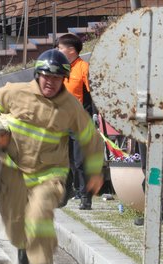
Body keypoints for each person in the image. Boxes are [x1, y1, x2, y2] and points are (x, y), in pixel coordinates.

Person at [0, 49, 104, 264]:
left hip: (50, 175)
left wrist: (95, 171)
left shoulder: (71, 107)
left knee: (38, 217)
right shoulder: (15, 92)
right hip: (13, 171)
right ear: (37, 75)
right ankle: (23, 247)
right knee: (15, 227)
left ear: (64, 80)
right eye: (46, 76)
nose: (50, 82)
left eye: (57, 78)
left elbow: (90, 138)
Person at [57, 33, 95, 210]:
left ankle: (86, 197)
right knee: (64, 161)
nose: (57, 50)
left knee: (80, 161)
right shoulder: (58, 67)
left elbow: (93, 96)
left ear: (71, 50)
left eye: (60, 48)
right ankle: (67, 191)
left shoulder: (83, 68)